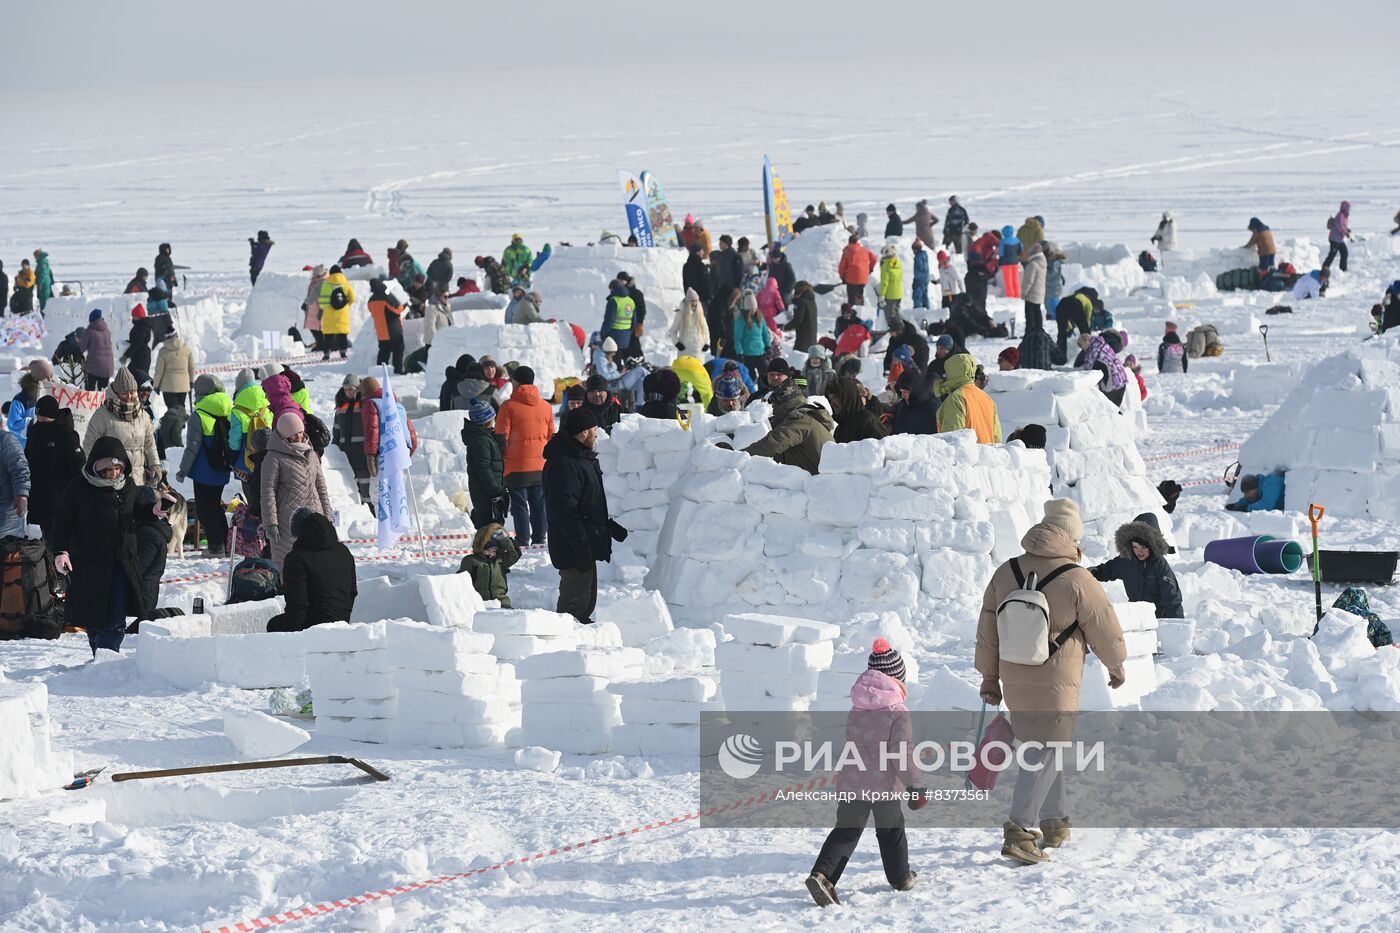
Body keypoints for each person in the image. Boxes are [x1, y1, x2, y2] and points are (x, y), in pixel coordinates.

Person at [976, 498, 1127, 864]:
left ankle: (1053, 821)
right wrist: (1117, 665)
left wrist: (990, 678)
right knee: (1048, 747)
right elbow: (1105, 628)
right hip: (1056, 677)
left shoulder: (1006, 571)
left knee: (1043, 743)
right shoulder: (1078, 578)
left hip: (1014, 674)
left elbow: (987, 629)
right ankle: (1020, 829)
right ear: (1073, 538)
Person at [806, 638, 919, 907]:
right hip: (883, 787)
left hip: (852, 782)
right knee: (891, 831)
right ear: (897, 678)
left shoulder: (857, 706)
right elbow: (901, 752)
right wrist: (914, 785)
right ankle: (901, 877)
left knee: (845, 831)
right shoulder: (897, 712)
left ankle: (822, 876)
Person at [51, 436, 142, 655]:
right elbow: (62, 521)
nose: (113, 475)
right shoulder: (78, 487)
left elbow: (140, 510)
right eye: (107, 470)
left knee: (116, 615)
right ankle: (99, 657)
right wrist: (60, 551)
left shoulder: (128, 486)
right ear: (95, 467)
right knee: (93, 615)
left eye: (118, 469)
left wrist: (157, 508)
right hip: (88, 563)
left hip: (121, 561)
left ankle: (107, 659)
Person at [542, 407, 626, 624]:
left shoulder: (580, 458)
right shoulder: (565, 464)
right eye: (594, 429)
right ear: (584, 432)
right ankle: (565, 650)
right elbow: (564, 510)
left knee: (585, 605)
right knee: (573, 610)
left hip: (583, 543)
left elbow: (584, 503)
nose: (597, 433)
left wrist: (605, 525)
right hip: (573, 547)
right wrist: (581, 545)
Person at [261, 412, 333, 571]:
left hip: (315, 517)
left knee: (317, 562)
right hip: (288, 521)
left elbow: (321, 487)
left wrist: (327, 516)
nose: (300, 436)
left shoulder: (311, 453)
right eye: (294, 434)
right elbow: (268, 492)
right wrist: (271, 523)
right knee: (290, 565)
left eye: (301, 432)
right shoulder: (273, 457)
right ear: (284, 435)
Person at [267, 509, 357, 632]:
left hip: (313, 624)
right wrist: (341, 618)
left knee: (273, 625)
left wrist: (292, 635)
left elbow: (297, 603)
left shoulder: (296, 558)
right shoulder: (344, 551)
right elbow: (352, 592)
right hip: (342, 620)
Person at [173, 375, 233, 556]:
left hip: (204, 473)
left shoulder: (198, 415)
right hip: (222, 469)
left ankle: (216, 547)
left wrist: (183, 471)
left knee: (206, 510)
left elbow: (192, 448)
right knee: (216, 506)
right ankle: (226, 544)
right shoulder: (230, 408)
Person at [496, 366, 553, 548]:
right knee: (539, 504)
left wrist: (502, 457)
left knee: (520, 505)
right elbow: (552, 435)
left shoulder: (508, 406)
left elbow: (501, 436)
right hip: (541, 465)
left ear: (516, 382)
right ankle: (540, 539)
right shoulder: (546, 406)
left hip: (516, 465)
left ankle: (522, 541)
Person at [1091, 513, 1183, 619]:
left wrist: (1178, 627)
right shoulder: (1126, 561)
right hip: (1137, 618)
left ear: (1152, 545)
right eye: (1135, 547)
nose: (1139, 551)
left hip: (1159, 620)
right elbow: (1107, 570)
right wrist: (1090, 573)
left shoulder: (1159, 565)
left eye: (1143, 547)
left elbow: (1173, 599)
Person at [82, 368, 159, 487]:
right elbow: (89, 445)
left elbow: (150, 443)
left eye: (132, 392)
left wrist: (155, 465)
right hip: (113, 478)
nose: (129, 396)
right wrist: (94, 473)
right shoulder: (102, 415)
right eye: (124, 393)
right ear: (116, 393)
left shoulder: (142, 414)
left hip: (138, 478)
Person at [24, 396, 83, 542]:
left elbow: (78, 466)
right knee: (41, 542)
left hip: (59, 499)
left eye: (45, 419)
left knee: (57, 542)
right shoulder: (35, 430)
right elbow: (28, 458)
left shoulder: (66, 434)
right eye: (39, 419)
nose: (41, 422)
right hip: (38, 496)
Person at [743, 382, 834, 474]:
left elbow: (773, 443)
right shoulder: (808, 417)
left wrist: (740, 456)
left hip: (814, 483)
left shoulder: (802, 420)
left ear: (784, 404)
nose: (774, 410)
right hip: (815, 478)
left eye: (775, 405)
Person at [936, 354, 1003, 443]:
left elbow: (952, 440)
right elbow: (997, 437)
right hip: (988, 455)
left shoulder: (956, 399)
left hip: (967, 455)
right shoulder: (988, 399)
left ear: (953, 372)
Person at [458, 522, 522, 607]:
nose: (491, 554)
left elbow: (515, 554)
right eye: (488, 550)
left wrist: (506, 540)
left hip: (501, 602)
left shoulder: (500, 561)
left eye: (494, 551)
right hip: (479, 603)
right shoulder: (470, 560)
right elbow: (461, 581)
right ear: (480, 547)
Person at [332, 376, 371, 509]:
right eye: (346, 389)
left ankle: (372, 515)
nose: (348, 392)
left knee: (367, 490)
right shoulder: (340, 409)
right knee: (351, 489)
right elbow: (336, 433)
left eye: (351, 389)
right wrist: (335, 452)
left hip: (363, 454)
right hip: (346, 454)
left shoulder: (364, 406)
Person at [828, 376, 888, 443]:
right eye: (831, 399)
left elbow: (880, 450)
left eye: (835, 397)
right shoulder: (840, 428)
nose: (832, 403)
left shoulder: (868, 422)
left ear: (848, 397)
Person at [318, 265, 356, 361]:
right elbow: (353, 297)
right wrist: (346, 306)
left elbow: (322, 303)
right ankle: (343, 353)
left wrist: (327, 308)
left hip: (329, 316)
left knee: (328, 337)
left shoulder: (326, 285)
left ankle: (326, 354)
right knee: (342, 335)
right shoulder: (346, 283)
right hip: (342, 315)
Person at [368, 278, 406, 374]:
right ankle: (397, 371)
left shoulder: (370, 301)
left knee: (384, 352)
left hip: (381, 332)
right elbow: (398, 309)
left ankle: (380, 371)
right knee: (398, 349)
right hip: (393, 329)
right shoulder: (386, 298)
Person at [153, 328, 195, 413]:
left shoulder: (163, 351)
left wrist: (156, 385)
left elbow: (159, 371)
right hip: (183, 385)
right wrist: (191, 381)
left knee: (172, 409)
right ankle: (181, 424)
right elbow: (191, 368)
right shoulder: (186, 349)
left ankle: (175, 424)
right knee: (181, 406)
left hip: (168, 386)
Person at [733, 292, 772, 384]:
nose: (754, 310)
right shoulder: (741, 320)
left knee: (764, 374)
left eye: (755, 308)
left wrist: (768, 346)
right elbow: (738, 337)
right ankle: (752, 393)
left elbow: (765, 333)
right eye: (751, 308)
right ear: (747, 309)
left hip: (760, 351)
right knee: (751, 376)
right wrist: (740, 352)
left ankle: (764, 391)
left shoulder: (760, 318)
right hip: (748, 353)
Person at [1080, 333, 1129, 405]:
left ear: (1086, 341)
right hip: (1120, 379)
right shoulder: (1099, 344)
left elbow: (1088, 370)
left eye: (1080, 345)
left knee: (1110, 410)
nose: (1081, 348)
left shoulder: (1094, 350)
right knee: (1112, 410)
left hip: (1114, 383)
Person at [0, 423, 30, 537]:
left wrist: (22, 494)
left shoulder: (5, 440)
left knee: (7, 552)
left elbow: (20, 469)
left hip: (6, 514)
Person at [888, 370, 938, 435]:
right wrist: (890, 413)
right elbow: (899, 405)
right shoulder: (908, 402)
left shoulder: (930, 408)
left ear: (915, 390)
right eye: (901, 391)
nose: (902, 395)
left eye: (905, 392)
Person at [964, 229, 1002, 314]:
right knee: (979, 302)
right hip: (978, 275)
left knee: (973, 301)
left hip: (972, 272)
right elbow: (1000, 244)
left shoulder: (985, 245)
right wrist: (996, 259)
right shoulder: (989, 237)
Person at [77, 309, 115, 392]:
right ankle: (103, 404)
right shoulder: (107, 330)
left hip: (94, 367)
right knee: (103, 392)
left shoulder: (90, 331)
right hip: (108, 367)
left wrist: (78, 342)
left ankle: (89, 404)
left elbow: (82, 347)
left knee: (89, 391)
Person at [668, 287, 711, 357]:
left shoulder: (701, 316)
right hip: (685, 352)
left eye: (696, 303)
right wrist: (677, 343)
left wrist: (707, 343)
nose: (694, 306)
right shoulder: (681, 315)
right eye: (692, 304)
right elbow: (673, 331)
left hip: (698, 353)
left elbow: (706, 331)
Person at [838, 235, 878, 306]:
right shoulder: (865, 250)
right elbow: (874, 258)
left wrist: (843, 277)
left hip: (851, 279)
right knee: (859, 294)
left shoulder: (847, 251)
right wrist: (870, 268)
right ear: (857, 241)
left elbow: (842, 266)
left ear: (849, 242)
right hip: (863, 278)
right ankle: (860, 308)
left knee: (852, 297)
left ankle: (853, 310)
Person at [601, 279, 637, 351]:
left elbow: (609, 320)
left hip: (614, 334)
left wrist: (603, 334)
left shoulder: (614, 301)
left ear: (614, 289)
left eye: (610, 289)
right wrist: (629, 332)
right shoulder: (630, 301)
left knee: (613, 359)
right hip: (626, 335)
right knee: (620, 357)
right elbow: (634, 321)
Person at [785, 281, 818, 355]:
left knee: (799, 359)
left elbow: (798, 319)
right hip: (812, 337)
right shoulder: (811, 301)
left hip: (803, 338)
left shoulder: (801, 302)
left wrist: (786, 327)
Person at [301, 263, 328, 352]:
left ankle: (322, 344)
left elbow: (312, 297)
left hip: (318, 309)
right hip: (313, 309)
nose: (313, 275)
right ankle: (320, 343)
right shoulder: (316, 281)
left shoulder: (321, 283)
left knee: (318, 328)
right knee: (315, 328)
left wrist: (306, 303)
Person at [877, 244, 904, 330]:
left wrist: (881, 295)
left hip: (890, 295)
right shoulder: (898, 263)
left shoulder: (886, 266)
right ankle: (902, 330)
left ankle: (894, 332)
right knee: (896, 314)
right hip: (899, 293)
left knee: (890, 316)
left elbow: (885, 282)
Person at [122, 304, 154, 377]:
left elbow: (137, 343)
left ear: (138, 316)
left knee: (136, 378)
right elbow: (137, 340)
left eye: (134, 316)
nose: (132, 317)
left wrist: (126, 355)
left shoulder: (141, 328)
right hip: (139, 355)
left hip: (141, 357)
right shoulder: (140, 325)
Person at [1022, 242, 1047, 331]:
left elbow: (1029, 281)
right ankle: (1039, 331)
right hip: (1039, 292)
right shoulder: (1043, 262)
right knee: (1037, 312)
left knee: (1030, 316)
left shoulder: (1032, 264)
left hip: (1031, 294)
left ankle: (1030, 333)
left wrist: (1024, 293)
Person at [682, 244, 712, 318]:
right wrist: (709, 295)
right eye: (702, 251)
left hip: (691, 297)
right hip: (702, 298)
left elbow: (685, 283)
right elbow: (706, 282)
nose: (703, 253)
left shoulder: (686, 266)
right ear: (697, 252)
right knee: (703, 320)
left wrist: (688, 295)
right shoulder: (700, 266)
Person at [1324, 201, 1351, 272]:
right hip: (1334, 239)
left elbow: (1342, 226)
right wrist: (1346, 233)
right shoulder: (1341, 215)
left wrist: (1347, 229)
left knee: (1344, 253)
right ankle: (1324, 269)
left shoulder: (1344, 215)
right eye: (1348, 207)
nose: (1349, 209)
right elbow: (1339, 226)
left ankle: (1343, 269)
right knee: (1332, 254)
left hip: (1339, 239)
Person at [998, 226, 1023, 298]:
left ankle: (1010, 295)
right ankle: (1017, 294)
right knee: (1015, 279)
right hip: (1015, 262)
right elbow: (1020, 250)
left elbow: (1001, 253)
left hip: (1006, 263)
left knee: (1008, 280)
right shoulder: (1017, 240)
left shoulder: (1003, 241)